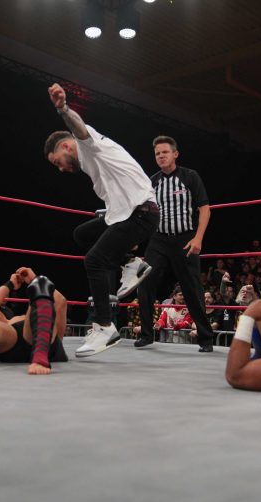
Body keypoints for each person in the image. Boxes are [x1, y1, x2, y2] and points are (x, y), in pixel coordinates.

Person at [44, 83, 158, 357]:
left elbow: (79, 128)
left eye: (58, 161)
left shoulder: (88, 144)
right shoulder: (93, 161)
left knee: (94, 260)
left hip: (140, 214)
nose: (60, 169)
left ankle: (104, 326)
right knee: (82, 234)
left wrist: (63, 108)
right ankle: (132, 263)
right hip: (129, 212)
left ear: (67, 146)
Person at [136, 135, 213, 352]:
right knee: (144, 282)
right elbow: (143, 211)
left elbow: (205, 208)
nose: (161, 156)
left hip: (185, 238)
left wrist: (198, 238)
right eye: (157, 154)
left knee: (192, 288)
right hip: (159, 239)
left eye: (165, 152)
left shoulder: (190, 176)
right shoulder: (152, 181)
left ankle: (206, 338)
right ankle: (146, 334)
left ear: (175, 154)